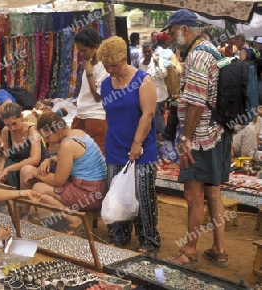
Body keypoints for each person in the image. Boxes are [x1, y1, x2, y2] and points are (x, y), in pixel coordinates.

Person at [162, 8, 231, 267]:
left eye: (172, 32)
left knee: (193, 195)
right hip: (217, 133)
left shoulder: (198, 56)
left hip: (200, 137)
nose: (171, 38)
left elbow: (196, 102)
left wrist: (185, 139)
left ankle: (190, 249)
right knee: (213, 193)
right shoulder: (212, 50)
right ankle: (219, 249)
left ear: (185, 29)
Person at [97, 36, 160, 253]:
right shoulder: (105, 84)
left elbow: (148, 114)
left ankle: (148, 239)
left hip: (142, 148)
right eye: (106, 66)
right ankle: (119, 236)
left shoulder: (143, 80)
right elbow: (111, 116)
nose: (109, 70)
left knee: (143, 195)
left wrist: (137, 143)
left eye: (112, 65)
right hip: (115, 147)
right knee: (118, 194)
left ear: (124, 59)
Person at [20, 112, 108, 234]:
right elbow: (71, 158)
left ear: (58, 129)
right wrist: (49, 159)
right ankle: (24, 215)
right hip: (99, 188)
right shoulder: (78, 132)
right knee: (29, 172)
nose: (46, 140)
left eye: (47, 136)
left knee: (38, 188)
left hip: (90, 194)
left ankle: (75, 220)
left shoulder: (67, 144)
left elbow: (58, 180)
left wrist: (36, 173)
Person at [0, 103, 48, 189]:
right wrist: (0, 170)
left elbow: (35, 160)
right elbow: (5, 157)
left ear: (21, 116)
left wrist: (8, 169)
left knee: (26, 170)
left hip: (30, 172)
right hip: (13, 168)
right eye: (8, 125)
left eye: (14, 123)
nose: (12, 128)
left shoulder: (32, 131)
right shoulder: (6, 131)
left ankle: (21, 199)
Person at [71, 27, 109, 155]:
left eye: (84, 50)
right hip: (82, 115)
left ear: (95, 46)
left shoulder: (103, 65)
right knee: (78, 154)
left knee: (97, 157)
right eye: (80, 51)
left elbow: (98, 96)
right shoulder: (90, 62)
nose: (82, 54)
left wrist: (88, 73)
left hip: (95, 116)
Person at [139, 42, 169, 138]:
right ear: (143, 52)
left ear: (152, 51)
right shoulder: (141, 63)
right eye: (145, 52)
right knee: (154, 114)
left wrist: (157, 64)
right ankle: (157, 133)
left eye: (149, 51)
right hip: (147, 94)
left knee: (156, 113)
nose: (147, 54)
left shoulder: (158, 60)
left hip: (159, 94)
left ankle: (164, 133)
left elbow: (164, 75)